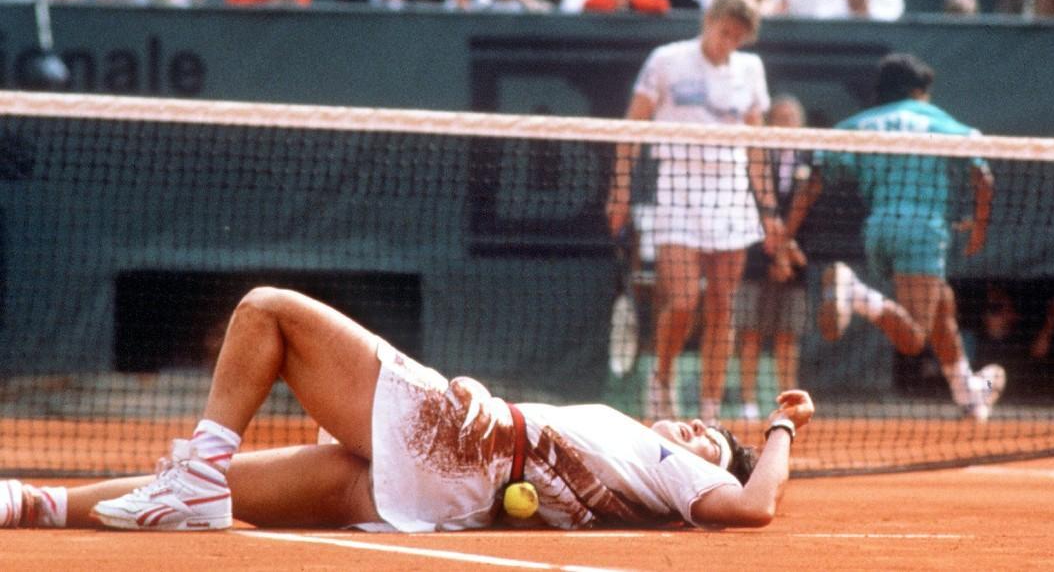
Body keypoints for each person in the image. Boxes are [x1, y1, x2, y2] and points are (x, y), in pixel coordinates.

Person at [0, 287, 814, 531]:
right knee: (197, 491)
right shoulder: (633, 461)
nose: (698, 427)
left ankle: (201, 474)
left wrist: (780, 428)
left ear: (708, 458)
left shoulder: (671, 462)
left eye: (713, 437)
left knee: (265, 312)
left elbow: (751, 503)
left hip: (456, 447)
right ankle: (27, 501)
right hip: (452, 491)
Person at [785, 53, 1006, 422]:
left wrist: (786, 236)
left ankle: (967, 390)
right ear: (919, 91)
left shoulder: (857, 124)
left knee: (943, 305)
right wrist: (979, 227)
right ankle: (856, 292)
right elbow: (983, 177)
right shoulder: (937, 120)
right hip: (921, 232)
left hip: (879, 232)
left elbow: (814, 179)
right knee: (913, 338)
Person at [606, 0, 788, 423]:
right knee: (684, 300)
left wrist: (769, 211)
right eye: (724, 32)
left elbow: (757, 148)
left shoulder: (750, 69)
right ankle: (662, 380)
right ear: (708, 21)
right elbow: (632, 128)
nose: (730, 43)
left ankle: (709, 410)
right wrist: (620, 189)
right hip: (678, 192)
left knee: (724, 305)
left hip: (731, 197)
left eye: (738, 38)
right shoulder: (666, 60)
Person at [733, 95, 811, 420]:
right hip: (755, 256)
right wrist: (774, 250)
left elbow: (809, 207)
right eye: (778, 117)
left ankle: (789, 403)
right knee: (750, 332)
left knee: (787, 335)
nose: (785, 123)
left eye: (791, 117)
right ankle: (748, 402)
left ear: (801, 124)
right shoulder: (754, 159)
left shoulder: (811, 158)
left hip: (796, 261)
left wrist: (786, 251)